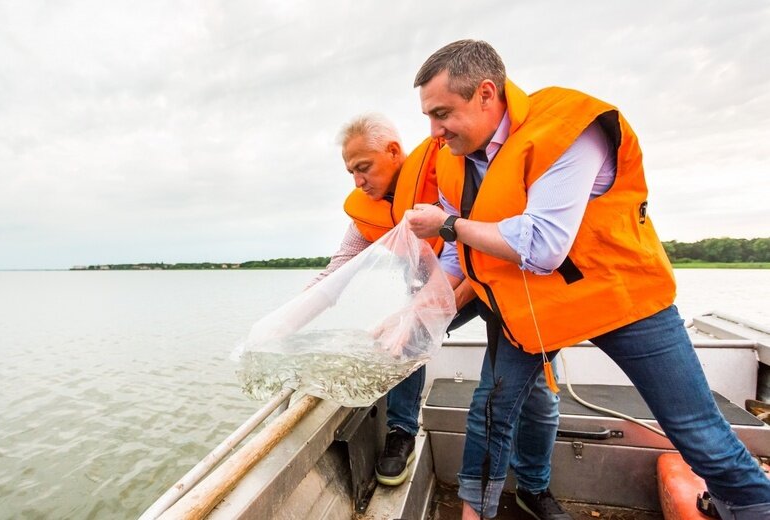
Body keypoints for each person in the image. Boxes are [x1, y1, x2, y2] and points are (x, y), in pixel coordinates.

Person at [405, 39, 770, 520]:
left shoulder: (570, 128)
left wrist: (447, 225)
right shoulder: (454, 158)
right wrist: (417, 312)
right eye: (428, 117)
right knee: (492, 408)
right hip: (535, 304)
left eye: (442, 113)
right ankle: (476, 512)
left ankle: (747, 503)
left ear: (487, 94)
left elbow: (542, 246)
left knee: (696, 429)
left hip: (621, 297)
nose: (433, 131)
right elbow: (458, 253)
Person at [312, 114, 561, 498]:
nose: (358, 181)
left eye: (364, 168)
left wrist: (428, 309)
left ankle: (534, 487)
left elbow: (483, 248)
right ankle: (402, 432)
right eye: (351, 173)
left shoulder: (451, 172)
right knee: (404, 337)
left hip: (500, 283)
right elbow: (336, 271)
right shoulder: (368, 209)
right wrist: (291, 315)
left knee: (539, 395)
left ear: (393, 151)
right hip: (440, 288)